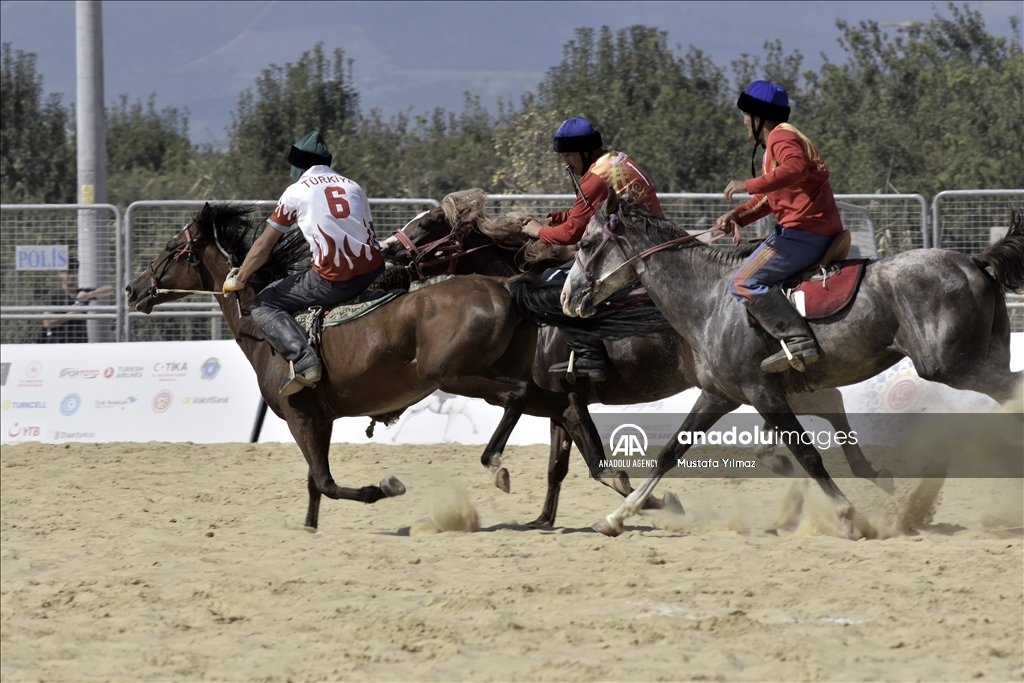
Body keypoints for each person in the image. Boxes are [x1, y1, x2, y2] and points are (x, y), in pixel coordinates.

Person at [223, 131, 384, 395]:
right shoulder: (353, 186)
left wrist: (239, 278)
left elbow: (263, 246)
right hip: (373, 271)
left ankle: (304, 361)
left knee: (263, 304)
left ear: (299, 165)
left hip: (333, 281)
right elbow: (366, 234)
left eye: (291, 166)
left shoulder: (295, 192)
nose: (291, 172)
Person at [714, 80, 844, 373]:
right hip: (813, 231)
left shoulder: (780, 136)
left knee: (742, 282)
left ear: (759, 117)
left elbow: (795, 169)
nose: (743, 121)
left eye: (746, 115)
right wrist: (737, 215)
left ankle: (797, 340)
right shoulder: (783, 139)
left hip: (804, 234)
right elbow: (769, 198)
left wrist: (747, 184)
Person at [520, 117, 663, 381]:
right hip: (645, 240)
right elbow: (584, 213)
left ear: (584, 151)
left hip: (633, 250)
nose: (566, 163)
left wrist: (538, 232)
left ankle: (589, 355)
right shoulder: (614, 159)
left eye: (568, 155)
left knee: (555, 282)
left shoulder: (594, 179)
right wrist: (556, 218)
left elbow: (571, 233)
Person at [37, 255, 113, 344]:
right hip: (58, 344)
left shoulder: (82, 293)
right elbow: (47, 323)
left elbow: (110, 289)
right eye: (68, 272)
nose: (71, 276)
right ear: (60, 273)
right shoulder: (54, 295)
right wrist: (72, 313)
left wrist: (88, 295)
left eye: (74, 272)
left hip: (80, 344)